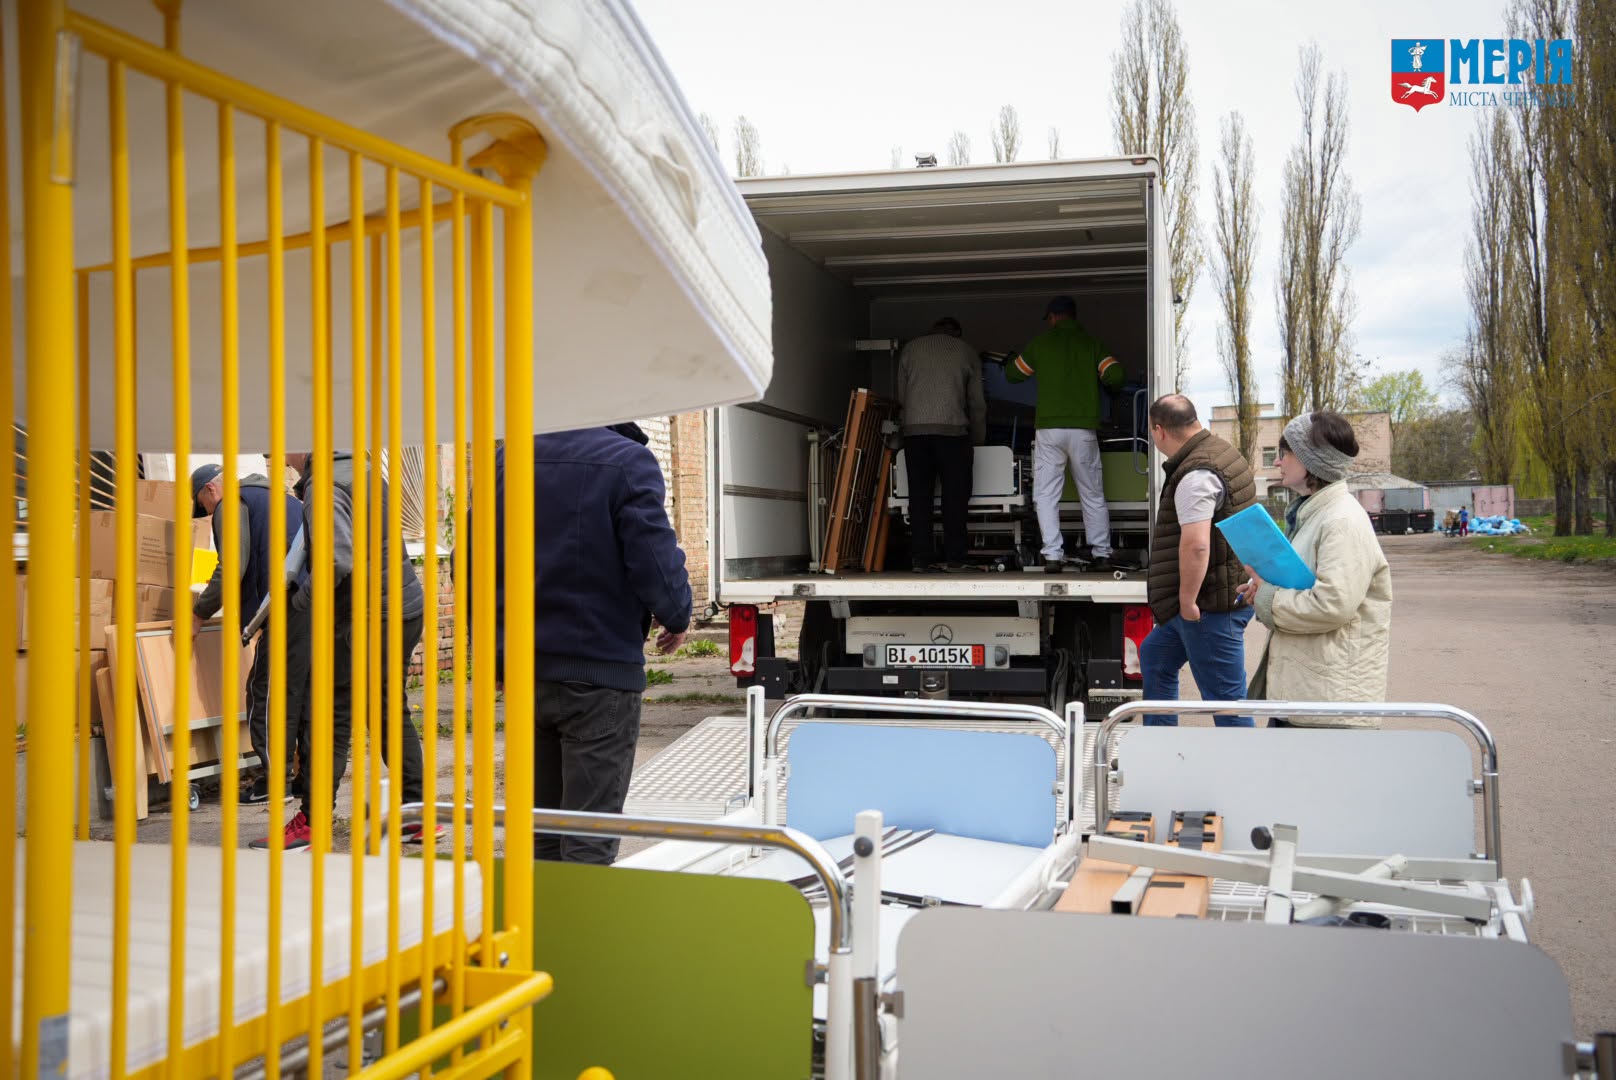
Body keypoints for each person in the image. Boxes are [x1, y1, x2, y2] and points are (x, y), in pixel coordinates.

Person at [472, 422, 692, 864]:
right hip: (599, 673)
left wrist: (496, 657)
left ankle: (544, 910)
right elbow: (653, 557)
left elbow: (475, 563)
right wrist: (677, 613)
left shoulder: (506, 459)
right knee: (589, 836)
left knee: (543, 830)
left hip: (526, 674)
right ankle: (579, 912)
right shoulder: (627, 461)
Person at [255, 451, 430, 850]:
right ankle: (418, 814)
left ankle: (313, 822)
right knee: (386, 710)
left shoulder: (327, 484)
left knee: (330, 714)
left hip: (367, 616)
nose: (277, 455)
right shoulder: (364, 469)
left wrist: (299, 602)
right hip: (401, 606)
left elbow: (336, 560)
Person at [1236, 411, 1393, 727]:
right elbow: (1305, 585)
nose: (1277, 462)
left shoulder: (1341, 521)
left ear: (1310, 461)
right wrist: (1263, 588)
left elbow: (1332, 604)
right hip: (1306, 698)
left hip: (1329, 709)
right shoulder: (1316, 515)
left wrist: (1269, 598)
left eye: (1284, 453)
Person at [190, 464, 310, 806]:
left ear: (210, 490)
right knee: (303, 694)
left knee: (263, 693)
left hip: (285, 605)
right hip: (314, 602)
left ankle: (275, 781)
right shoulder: (285, 500)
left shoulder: (230, 505)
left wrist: (199, 612)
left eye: (204, 506)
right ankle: (306, 780)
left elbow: (231, 566)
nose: (208, 514)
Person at [1138, 395, 1258, 726]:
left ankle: (1245, 760)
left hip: (1209, 607)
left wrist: (1187, 601)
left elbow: (1196, 546)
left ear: (1159, 430)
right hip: (1214, 597)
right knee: (1155, 656)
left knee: (1226, 703)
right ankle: (1162, 746)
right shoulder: (1221, 451)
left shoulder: (1196, 475)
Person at [1005, 295, 1129, 572]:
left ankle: (1052, 555)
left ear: (1052, 317)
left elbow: (1013, 375)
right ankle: (1101, 553)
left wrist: (1012, 358)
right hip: (1083, 430)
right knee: (1092, 493)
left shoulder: (1040, 344)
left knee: (1046, 494)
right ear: (1074, 316)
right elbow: (1116, 376)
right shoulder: (1091, 344)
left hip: (1049, 430)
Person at [896, 316, 986, 572]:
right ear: (957, 332)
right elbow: (977, 402)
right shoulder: (966, 351)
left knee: (919, 497)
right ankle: (956, 556)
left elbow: (902, 396)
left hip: (915, 432)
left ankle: (921, 558)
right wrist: (979, 438)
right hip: (953, 433)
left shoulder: (911, 349)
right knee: (955, 496)